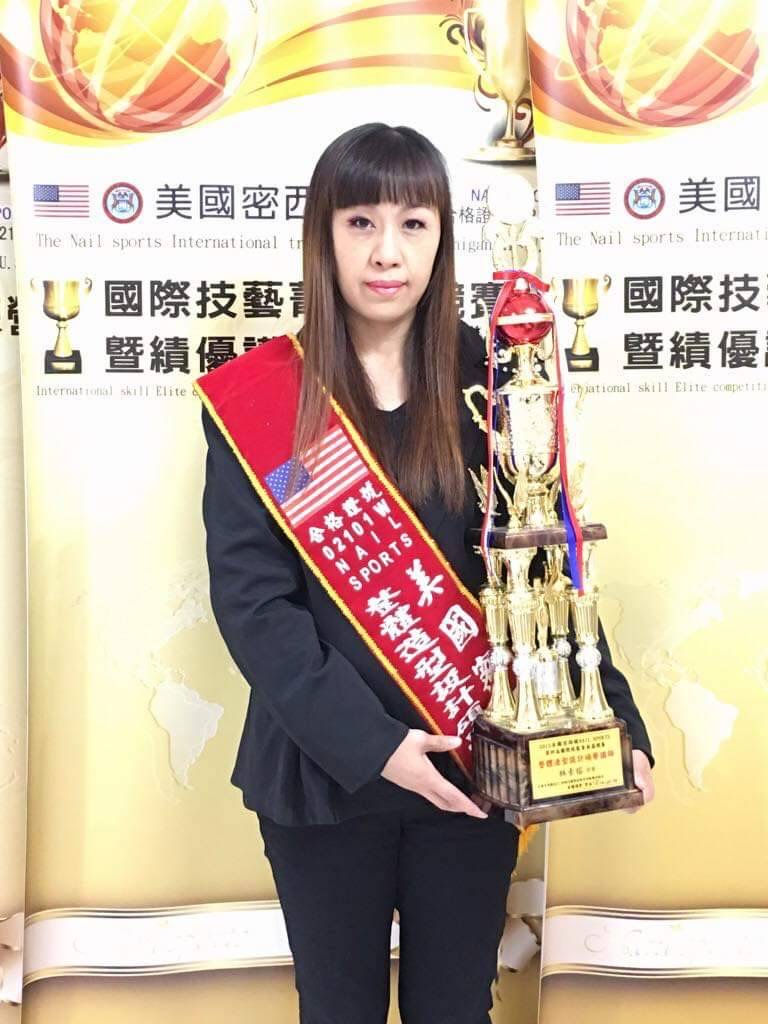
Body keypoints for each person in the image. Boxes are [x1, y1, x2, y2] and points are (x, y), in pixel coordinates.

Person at [197, 123, 654, 1024]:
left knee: (456, 1007)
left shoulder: (496, 382)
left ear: (442, 238)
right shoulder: (266, 401)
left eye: (413, 223)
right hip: (323, 775)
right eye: (360, 223)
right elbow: (255, 606)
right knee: (338, 1010)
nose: (387, 252)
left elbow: (543, 563)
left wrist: (615, 720)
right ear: (323, 235)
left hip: (473, 757)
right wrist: (375, 746)